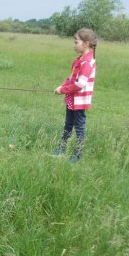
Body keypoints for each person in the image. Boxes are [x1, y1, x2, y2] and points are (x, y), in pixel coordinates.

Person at [53, 28, 97, 163]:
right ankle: (62, 148)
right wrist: (62, 86)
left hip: (79, 101)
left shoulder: (87, 63)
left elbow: (80, 84)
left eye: (76, 42)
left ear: (86, 43)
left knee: (79, 128)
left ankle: (77, 155)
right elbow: (72, 78)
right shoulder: (80, 59)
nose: (74, 45)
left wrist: (64, 90)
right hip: (72, 98)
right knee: (68, 124)